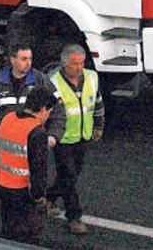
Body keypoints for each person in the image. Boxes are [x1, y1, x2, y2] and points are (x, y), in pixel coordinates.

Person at [44, 43, 104, 235]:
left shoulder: (92, 78)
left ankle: (49, 197)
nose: (79, 68)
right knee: (68, 176)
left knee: (72, 173)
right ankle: (74, 217)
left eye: (81, 63)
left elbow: (97, 102)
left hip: (82, 135)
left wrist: (98, 126)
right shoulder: (53, 81)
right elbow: (46, 111)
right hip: (61, 137)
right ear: (64, 64)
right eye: (74, 64)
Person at [0, 87, 55, 245]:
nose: (47, 117)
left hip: (2, 183)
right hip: (22, 191)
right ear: (43, 109)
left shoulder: (7, 118)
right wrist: (39, 195)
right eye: (49, 112)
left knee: (8, 228)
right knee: (28, 234)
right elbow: (38, 168)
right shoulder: (36, 131)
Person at [0, 42, 52, 150]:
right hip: (7, 144)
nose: (29, 63)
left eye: (30, 59)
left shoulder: (40, 79)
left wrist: (53, 135)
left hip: (33, 142)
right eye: (24, 59)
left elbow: (57, 108)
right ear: (12, 60)